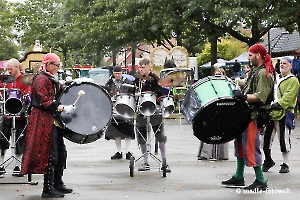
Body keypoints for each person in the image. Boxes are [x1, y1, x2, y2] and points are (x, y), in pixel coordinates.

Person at [20, 53, 74, 198]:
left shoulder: (50, 78)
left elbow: (58, 93)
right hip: (43, 119)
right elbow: (44, 101)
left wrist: (71, 87)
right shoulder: (40, 78)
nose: (58, 68)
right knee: (51, 154)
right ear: (49, 64)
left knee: (61, 152)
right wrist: (62, 107)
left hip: (52, 119)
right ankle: (47, 188)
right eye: (56, 65)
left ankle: (57, 183)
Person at [221, 43, 275, 190]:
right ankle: (239, 177)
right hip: (247, 115)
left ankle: (261, 181)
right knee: (240, 144)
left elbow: (261, 96)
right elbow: (250, 84)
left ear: (258, 55)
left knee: (251, 146)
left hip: (255, 115)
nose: (248, 57)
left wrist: (243, 96)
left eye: (250, 55)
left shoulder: (264, 73)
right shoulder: (256, 71)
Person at [262, 57, 299, 173]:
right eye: (281, 63)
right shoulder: (276, 78)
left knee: (283, 139)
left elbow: (289, 96)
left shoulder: (293, 80)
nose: (282, 65)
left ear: (291, 65)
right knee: (265, 139)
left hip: (284, 112)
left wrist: (278, 104)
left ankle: (285, 163)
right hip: (271, 113)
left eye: (285, 63)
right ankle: (268, 160)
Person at [134, 58, 171, 172]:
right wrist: (135, 95)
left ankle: (164, 162)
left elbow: (159, 92)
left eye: (143, 67)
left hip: (154, 109)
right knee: (141, 135)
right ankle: (145, 162)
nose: (141, 69)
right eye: (140, 67)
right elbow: (132, 91)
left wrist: (152, 94)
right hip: (141, 110)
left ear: (149, 67)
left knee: (160, 135)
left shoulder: (155, 78)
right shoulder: (137, 80)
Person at [0, 58, 31, 177]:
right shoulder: (6, 80)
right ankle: (1, 166)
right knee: (2, 140)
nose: (8, 71)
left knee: (20, 142)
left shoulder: (25, 80)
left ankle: (17, 166)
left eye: (10, 69)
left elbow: (27, 97)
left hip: (20, 114)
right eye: (7, 69)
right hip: (7, 114)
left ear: (17, 67)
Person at [198, 67, 229, 160]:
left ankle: (222, 154)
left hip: (223, 110)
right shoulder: (210, 84)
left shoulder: (227, 84)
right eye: (216, 74)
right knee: (209, 130)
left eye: (220, 74)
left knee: (223, 131)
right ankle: (205, 153)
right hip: (212, 110)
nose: (218, 75)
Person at [104, 65, 135, 160]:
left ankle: (128, 151)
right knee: (116, 131)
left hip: (126, 108)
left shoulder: (128, 82)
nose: (117, 75)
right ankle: (119, 152)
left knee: (128, 130)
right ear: (113, 73)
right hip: (114, 109)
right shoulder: (109, 84)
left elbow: (133, 95)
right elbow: (106, 95)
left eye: (119, 73)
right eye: (115, 73)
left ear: (122, 72)